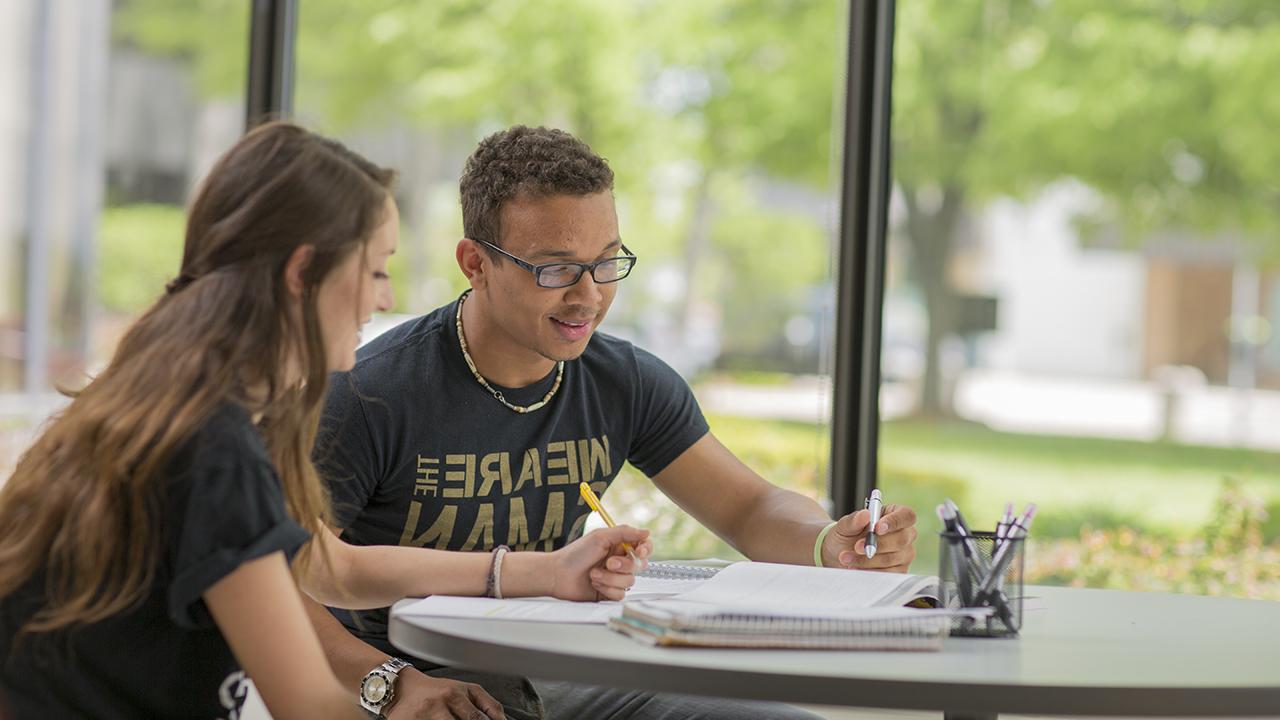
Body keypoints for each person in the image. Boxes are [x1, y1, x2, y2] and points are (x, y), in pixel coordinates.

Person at [0, 122, 648, 720]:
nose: (385, 298)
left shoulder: (167, 401)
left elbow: (325, 564)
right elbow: (309, 707)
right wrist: (401, 695)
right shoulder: (211, 448)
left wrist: (546, 571)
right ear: (303, 272)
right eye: (374, 270)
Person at [311, 125, 920, 719]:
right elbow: (280, 580)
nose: (589, 296)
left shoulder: (623, 380)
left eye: (606, 263)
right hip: (402, 679)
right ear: (475, 263)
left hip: (556, 670)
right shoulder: (369, 394)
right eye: (555, 269)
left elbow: (749, 510)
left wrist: (828, 543)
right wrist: (387, 685)